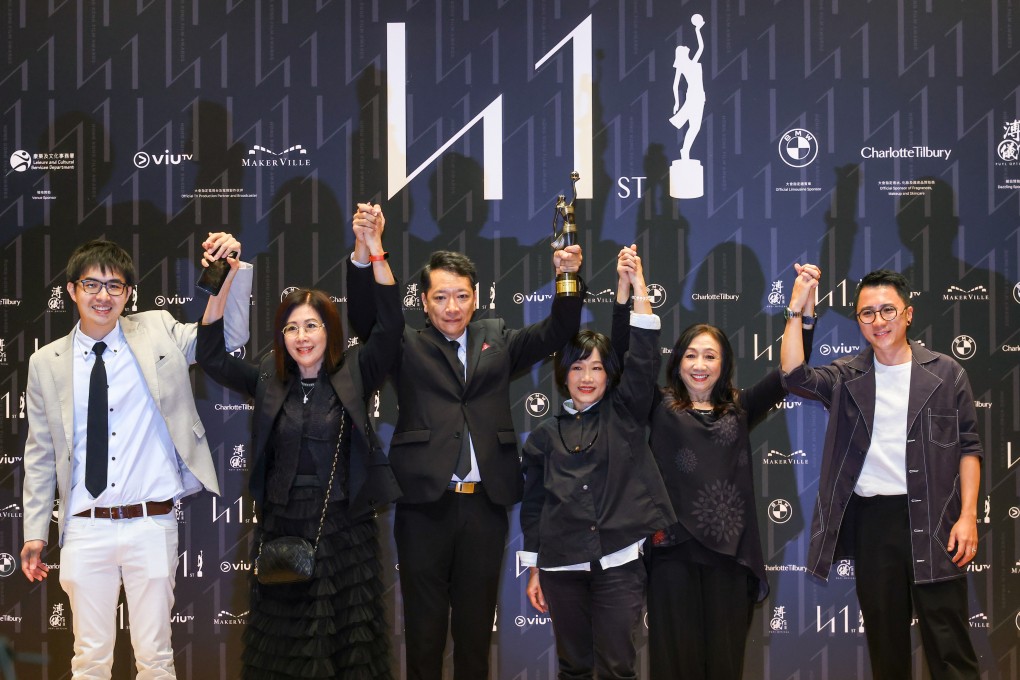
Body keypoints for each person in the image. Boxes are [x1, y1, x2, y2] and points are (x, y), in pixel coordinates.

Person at [346, 203, 584, 680]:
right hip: (422, 507)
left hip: (484, 508)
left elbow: (559, 331)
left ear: (476, 298)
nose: (452, 307)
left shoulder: (496, 337)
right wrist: (364, 253)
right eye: (440, 298)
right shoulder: (403, 343)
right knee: (424, 632)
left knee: (476, 634)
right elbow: (369, 321)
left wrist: (567, 278)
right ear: (424, 302)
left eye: (461, 296)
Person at [20, 234, 252, 678]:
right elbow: (40, 453)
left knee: (156, 658)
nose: (102, 296)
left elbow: (229, 337)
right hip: (84, 527)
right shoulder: (45, 362)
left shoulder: (158, 330)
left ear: (129, 293)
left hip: (151, 522)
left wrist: (232, 272)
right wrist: (34, 531)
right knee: (89, 659)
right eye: (91, 285)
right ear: (71, 290)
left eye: (114, 286)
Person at [196, 212, 403, 679]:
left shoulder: (354, 371)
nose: (302, 337)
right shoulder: (269, 376)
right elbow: (210, 355)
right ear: (281, 337)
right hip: (284, 528)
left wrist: (375, 249)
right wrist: (222, 280)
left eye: (311, 326)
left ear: (329, 330)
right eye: (291, 328)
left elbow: (390, 326)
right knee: (287, 647)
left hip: (345, 528)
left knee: (345, 644)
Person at [615, 263, 818, 680]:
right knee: (674, 663)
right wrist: (635, 292)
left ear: (724, 364)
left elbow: (790, 375)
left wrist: (800, 310)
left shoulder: (740, 408)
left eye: (710, 355)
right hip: (672, 552)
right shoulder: (658, 405)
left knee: (725, 663)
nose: (699, 364)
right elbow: (629, 359)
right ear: (676, 362)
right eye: (690, 355)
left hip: (731, 556)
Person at [780, 268, 981, 680]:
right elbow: (794, 375)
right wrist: (797, 308)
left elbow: (969, 449)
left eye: (887, 309)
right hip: (874, 523)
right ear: (859, 321)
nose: (878, 321)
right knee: (886, 647)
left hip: (935, 521)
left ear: (907, 314)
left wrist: (968, 515)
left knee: (950, 648)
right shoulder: (846, 376)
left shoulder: (946, 374)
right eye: (867, 313)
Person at [519, 245, 675, 680]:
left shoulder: (624, 413)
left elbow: (642, 356)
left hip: (618, 564)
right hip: (560, 567)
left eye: (596, 368)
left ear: (609, 375)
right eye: (577, 368)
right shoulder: (543, 437)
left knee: (617, 668)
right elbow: (534, 507)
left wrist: (636, 286)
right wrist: (534, 568)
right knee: (573, 667)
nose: (586, 378)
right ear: (563, 375)